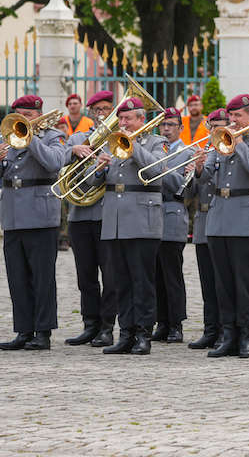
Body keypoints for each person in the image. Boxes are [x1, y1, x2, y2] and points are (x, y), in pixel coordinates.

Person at [0, 95, 66, 350]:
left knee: (42, 278)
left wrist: (30, 139)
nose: (22, 120)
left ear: (38, 114)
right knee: (17, 277)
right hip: (13, 215)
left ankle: (43, 332)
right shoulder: (6, 135)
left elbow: (54, 163)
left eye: (27, 116)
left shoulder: (53, 136)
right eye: (19, 115)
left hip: (40, 215)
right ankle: (23, 330)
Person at [194, 93, 249, 358]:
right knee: (223, 282)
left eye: (238, 116)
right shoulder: (220, 139)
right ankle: (228, 335)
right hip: (218, 217)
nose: (233, 121)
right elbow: (207, 178)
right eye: (231, 117)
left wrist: (238, 143)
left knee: (244, 281)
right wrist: (199, 167)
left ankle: (245, 336)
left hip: (244, 217)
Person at [90, 97, 168, 355]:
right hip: (115, 220)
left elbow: (157, 170)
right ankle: (125, 333)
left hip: (142, 220)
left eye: (128, 119)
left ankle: (144, 333)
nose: (122, 123)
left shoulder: (157, 142)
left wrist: (132, 145)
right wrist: (99, 169)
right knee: (119, 281)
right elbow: (93, 183)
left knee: (142, 280)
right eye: (121, 119)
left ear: (141, 120)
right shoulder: (111, 143)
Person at [64, 90, 117, 347]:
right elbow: (59, 166)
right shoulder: (77, 137)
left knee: (110, 274)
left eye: (106, 109)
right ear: (91, 112)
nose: (101, 114)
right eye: (97, 110)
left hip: (106, 214)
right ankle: (90, 324)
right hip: (79, 214)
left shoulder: (117, 140)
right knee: (85, 275)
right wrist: (73, 151)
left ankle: (107, 327)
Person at [186, 108, 228, 349]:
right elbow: (189, 193)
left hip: (222, 218)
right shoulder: (203, 150)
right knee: (207, 281)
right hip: (203, 220)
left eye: (220, 126)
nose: (216, 131)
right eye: (212, 127)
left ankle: (225, 329)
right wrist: (195, 170)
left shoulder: (227, 152)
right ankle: (210, 329)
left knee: (222, 280)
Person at [151, 107, 191, 344]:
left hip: (172, 213)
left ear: (180, 127)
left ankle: (176, 323)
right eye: (163, 125)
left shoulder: (188, 152)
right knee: (156, 273)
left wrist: (163, 170)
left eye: (171, 125)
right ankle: (161, 321)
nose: (166, 129)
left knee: (172, 274)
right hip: (152, 215)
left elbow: (184, 187)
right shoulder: (154, 148)